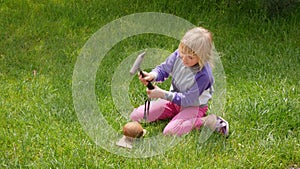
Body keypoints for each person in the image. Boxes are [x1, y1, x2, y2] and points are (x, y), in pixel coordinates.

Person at [130, 27, 226, 136]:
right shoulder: (178, 55)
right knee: (135, 116)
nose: (184, 59)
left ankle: (207, 121)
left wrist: (162, 94)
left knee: (170, 131)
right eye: (182, 53)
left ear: (202, 58)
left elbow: (188, 99)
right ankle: (176, 116)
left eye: (190, 57)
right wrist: (152, 75)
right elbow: (163, 69)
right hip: (173, 102)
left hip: (193, 107)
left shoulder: (204, 75)